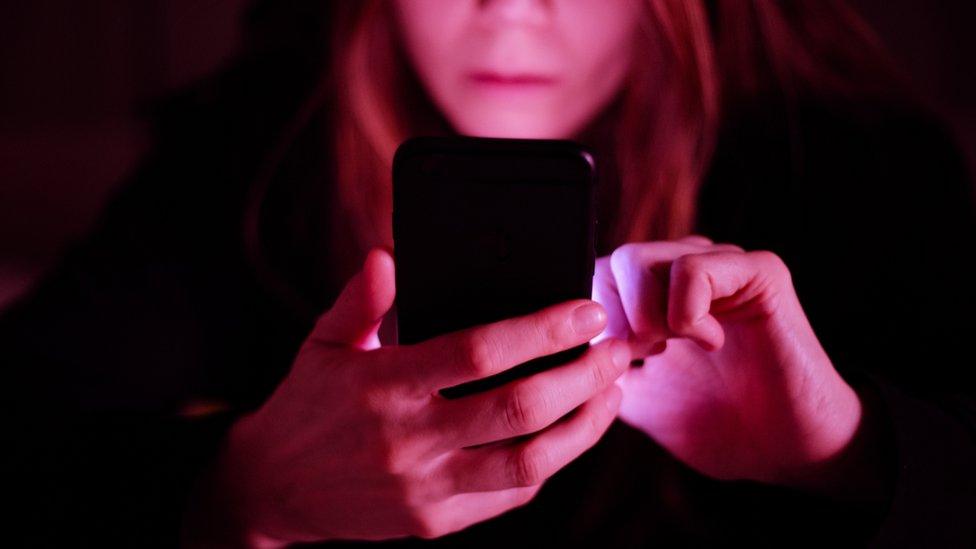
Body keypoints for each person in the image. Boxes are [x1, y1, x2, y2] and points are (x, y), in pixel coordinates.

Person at [4, 0, 975, 547]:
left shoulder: (854, 167)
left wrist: (846, 450)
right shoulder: (255, 152)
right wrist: (243, 489)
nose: (511, 9)